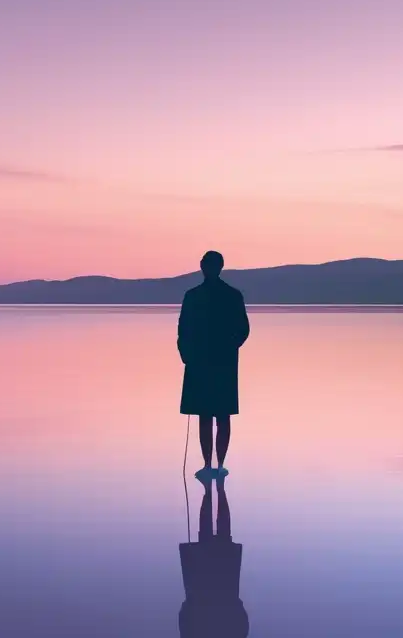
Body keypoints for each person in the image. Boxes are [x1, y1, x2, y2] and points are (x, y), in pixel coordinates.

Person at [177, 250, 249, 478]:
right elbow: (183, 329)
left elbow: (242, 330)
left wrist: (189, 353)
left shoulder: (198, 295)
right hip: (212, 362)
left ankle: (215, 465)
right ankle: (213, 465)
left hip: (212, 362)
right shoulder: (225, 295)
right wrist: (186, 353)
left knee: (214, 414)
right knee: (211, 415)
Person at [178, 474, 249, 637]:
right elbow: (184, 620)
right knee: (211, 534)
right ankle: (214, 488)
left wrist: (237, 604)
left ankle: (215, 488)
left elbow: (242, 624)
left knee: (216, 534)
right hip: (214, 590)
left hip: (217, 590)